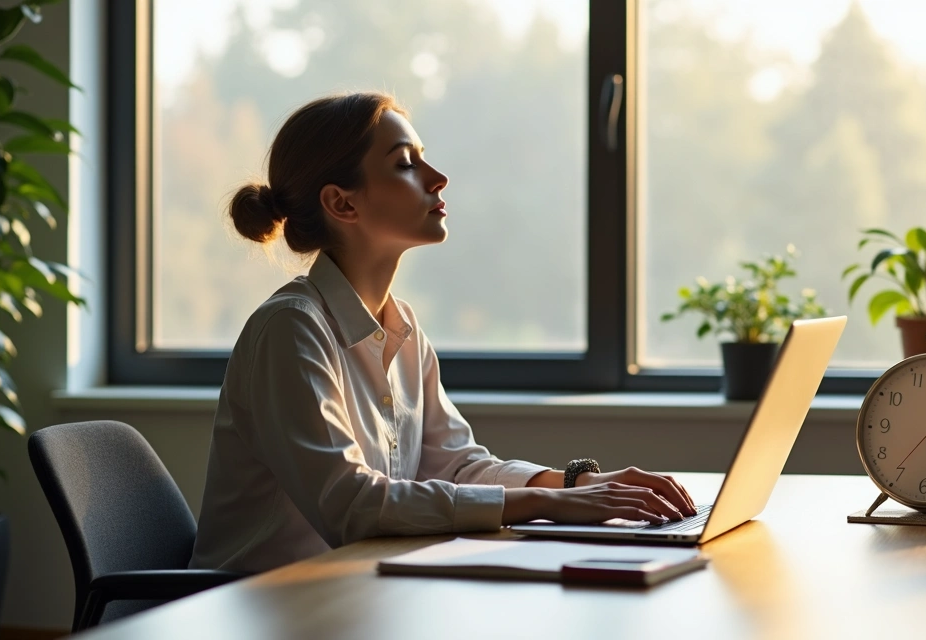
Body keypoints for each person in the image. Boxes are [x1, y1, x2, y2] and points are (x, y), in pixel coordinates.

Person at [190, 91, 696, 573]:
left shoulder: (403, 328)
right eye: (405, 164)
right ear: (342, 204)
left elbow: (455, 466)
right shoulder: (290, 330)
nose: (438, 178)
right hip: (256, 609)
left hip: (349, 594)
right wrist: (548, 502)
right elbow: (351, 505)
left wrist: (576, 485)